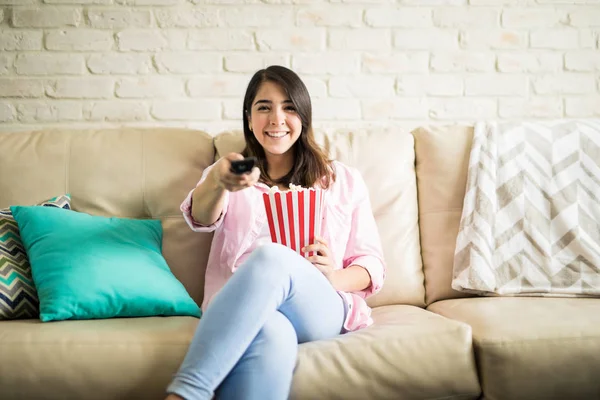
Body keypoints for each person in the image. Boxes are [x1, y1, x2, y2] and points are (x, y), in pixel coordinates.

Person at [165, 65, 385, 400]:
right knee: (270, 332)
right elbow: (200, 217)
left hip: (319, 306)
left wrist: (331, 277)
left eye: (289, 108)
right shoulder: (229, 173)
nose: (276, 119)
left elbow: (372, 264)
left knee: (271, 256)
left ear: (304, 117)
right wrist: (218, 182)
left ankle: (187, 392)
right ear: (249, 117)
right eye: (264, 107)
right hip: (247, 305)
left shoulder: (342, 180)